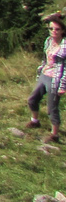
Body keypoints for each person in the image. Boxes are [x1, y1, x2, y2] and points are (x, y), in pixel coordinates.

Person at [28, 11, 66, 142]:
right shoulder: (48, 41)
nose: (53, 31)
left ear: (62, 31)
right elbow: (45, 58)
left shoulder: (64, 46)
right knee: (32, 99)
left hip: (55, 79)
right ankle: (35, 121)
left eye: (57, 29)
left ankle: (54, 135)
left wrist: (63, 86)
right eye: (51, 28)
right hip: (44, 74)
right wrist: (40, 70)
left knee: (52, 108)